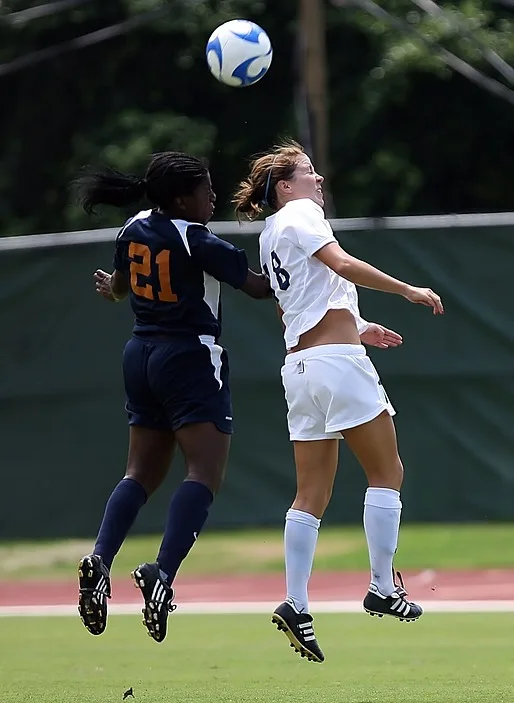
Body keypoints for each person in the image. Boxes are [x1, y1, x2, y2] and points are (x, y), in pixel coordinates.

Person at [233, 140, 444, 664]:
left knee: (309, 495)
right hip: (335, 366)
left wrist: (360, 325)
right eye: (308, 173)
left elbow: (295, 309)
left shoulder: (267, 235)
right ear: (286, 187)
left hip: (299, 368)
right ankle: (381, 586)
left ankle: (296, 603)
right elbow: (342, 264)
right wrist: (406, 290)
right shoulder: (301, 213)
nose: (318, 180)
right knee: (387, 472)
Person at [74, 151, 270, 643]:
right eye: (206, 189)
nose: (213, 196)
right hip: (189, 357)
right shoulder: (200, 241)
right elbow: (260, 289)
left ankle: (100, 558)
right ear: (182, 199)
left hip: (140, 354)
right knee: (203, 473)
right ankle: (161, 572)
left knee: (139, 472)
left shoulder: (135, 226)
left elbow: (119, 289)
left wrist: (112, 289)